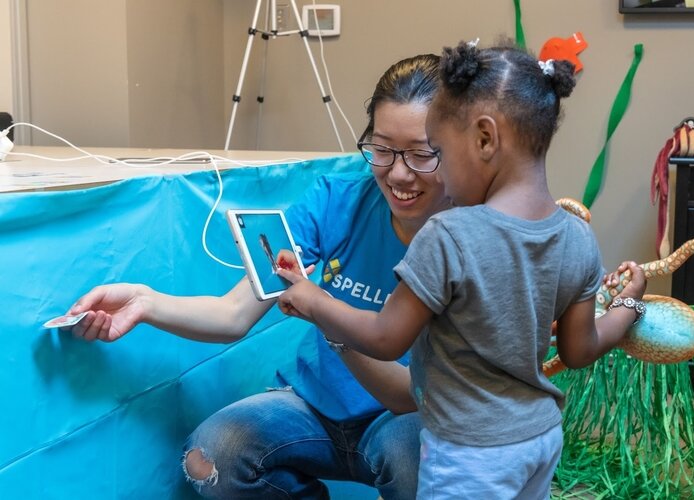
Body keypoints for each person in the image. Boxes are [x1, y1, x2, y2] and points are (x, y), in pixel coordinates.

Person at [66, 54, 450, 499]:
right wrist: (145, 301)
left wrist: (328, 317)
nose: (398, 172)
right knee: (212, 455)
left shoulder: (468, 239)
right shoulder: (335, 200)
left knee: (417, 457)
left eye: (422, 155)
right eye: (381, 149)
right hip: (314, 405)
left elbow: (409, 397)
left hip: (403, 415)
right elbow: (234, 313)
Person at [277, 39, 648, 499]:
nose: (440, 177)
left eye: (439, 153)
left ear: (485, 139)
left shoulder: (449, 235)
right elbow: (579, 349)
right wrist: (631, 303)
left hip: (469, 452)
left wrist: (315, 301)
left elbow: (386, 338)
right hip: (541, 438)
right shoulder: (577, 236)